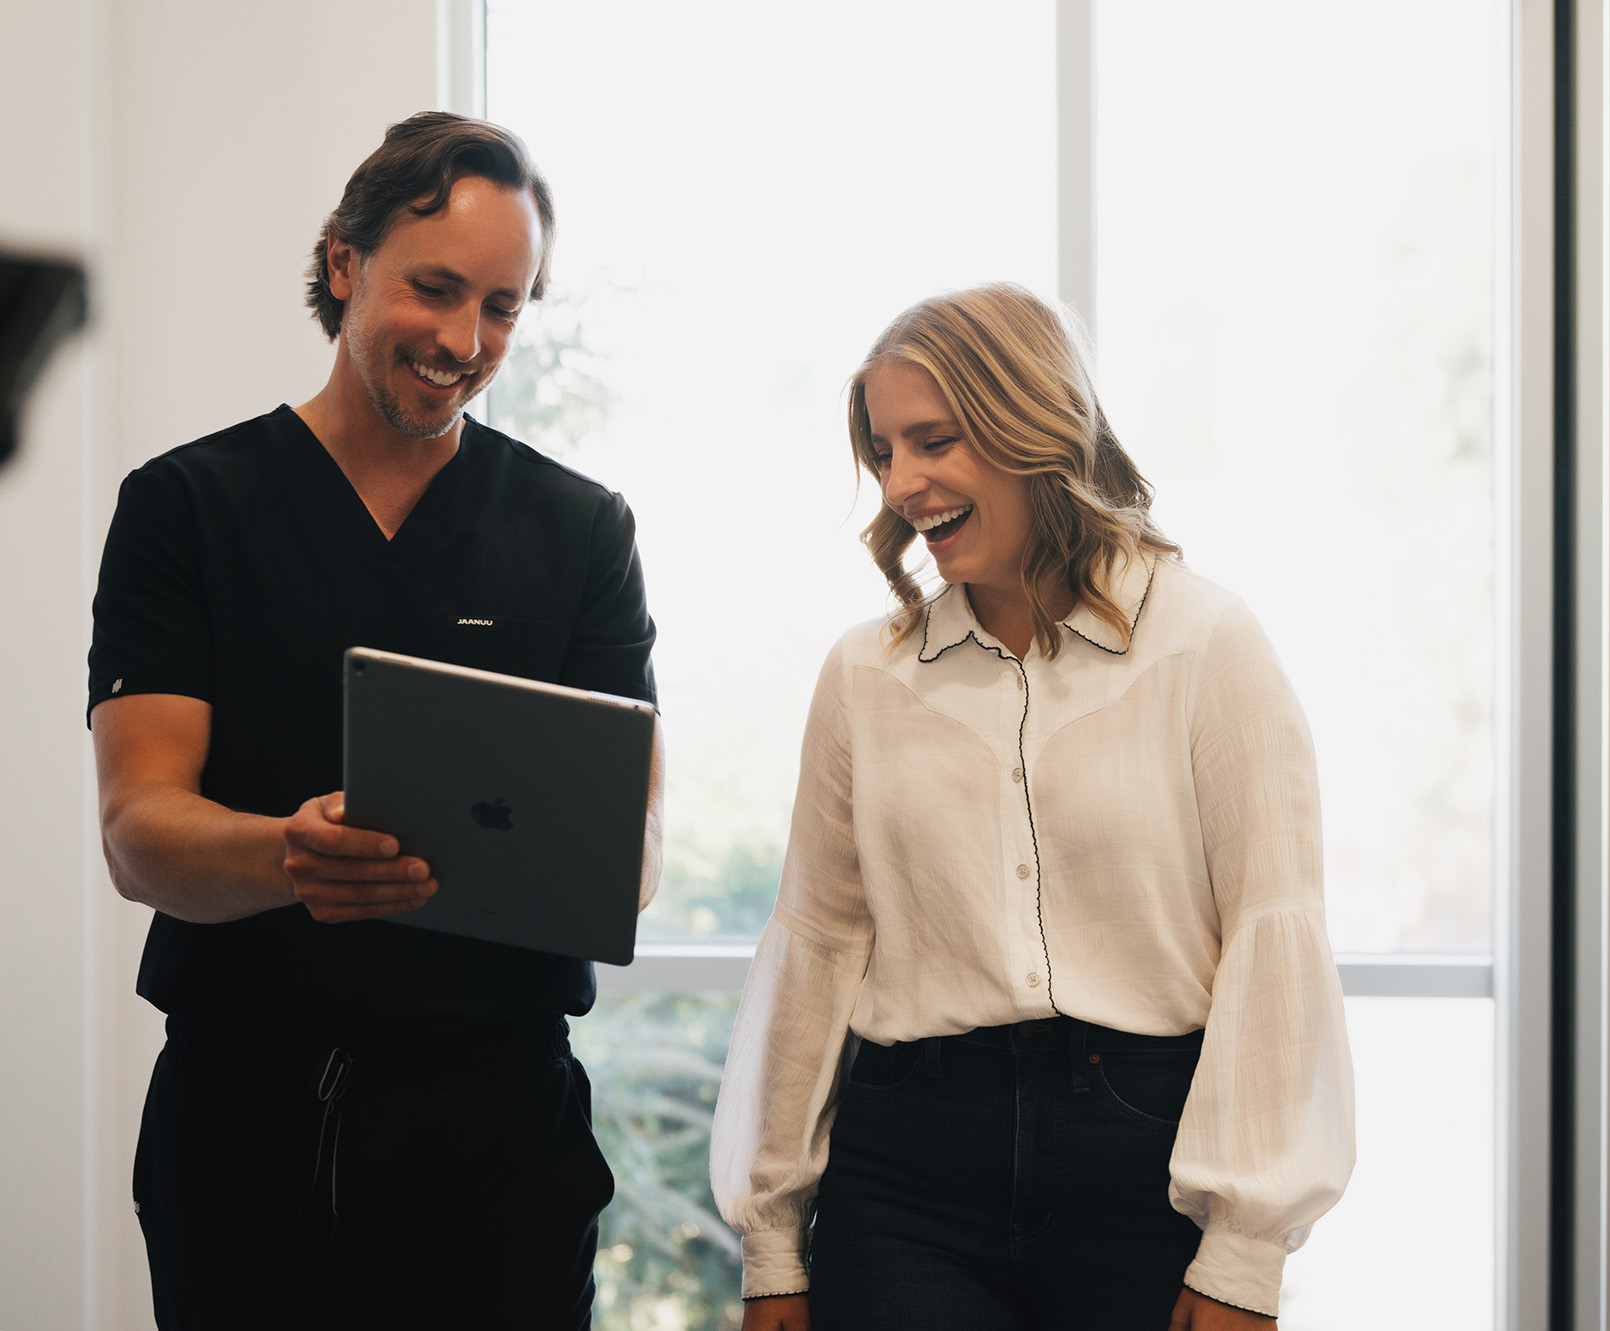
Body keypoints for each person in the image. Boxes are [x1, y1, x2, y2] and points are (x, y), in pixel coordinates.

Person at [88, 112, 660, 1329]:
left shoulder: (581, 533)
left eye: (502, 308)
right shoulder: (187, 508)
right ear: (343, 261)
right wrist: (289, 855)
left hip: (498, 1138)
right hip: (243, 1127)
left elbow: (634, 843)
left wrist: (594, 864)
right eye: (434, 289)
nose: (463, 342)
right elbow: (139, 829)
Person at [710, 284, 1355, 1330]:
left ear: (1032, 426)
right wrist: (773, 1243)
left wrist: (1244, 1250)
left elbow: (1271, 939)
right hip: (907, 1170)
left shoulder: (1207, 646)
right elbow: (818, 947)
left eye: (934, 441)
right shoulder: (864, 675)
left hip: (1146, 1166)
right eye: (884, 451)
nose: (901, 484)